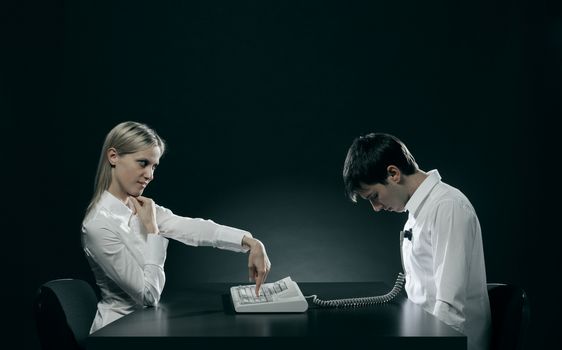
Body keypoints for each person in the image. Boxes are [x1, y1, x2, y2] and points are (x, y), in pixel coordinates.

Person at [82, 121, 271, 333]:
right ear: (113, 157)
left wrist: (250, 242)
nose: (150, 175)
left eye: (154, 166)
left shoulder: (140, 206)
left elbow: (193, 228)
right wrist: (153, 231)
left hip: (149, 325)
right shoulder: (98, 224)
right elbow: (148, 296)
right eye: (143, 163)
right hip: (118, 332)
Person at [342, 132, 491, 350]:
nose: (376, 208)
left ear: (393, 173)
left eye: (374, 196)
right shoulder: (417, 212)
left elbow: (450, 309)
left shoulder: (447, 207)